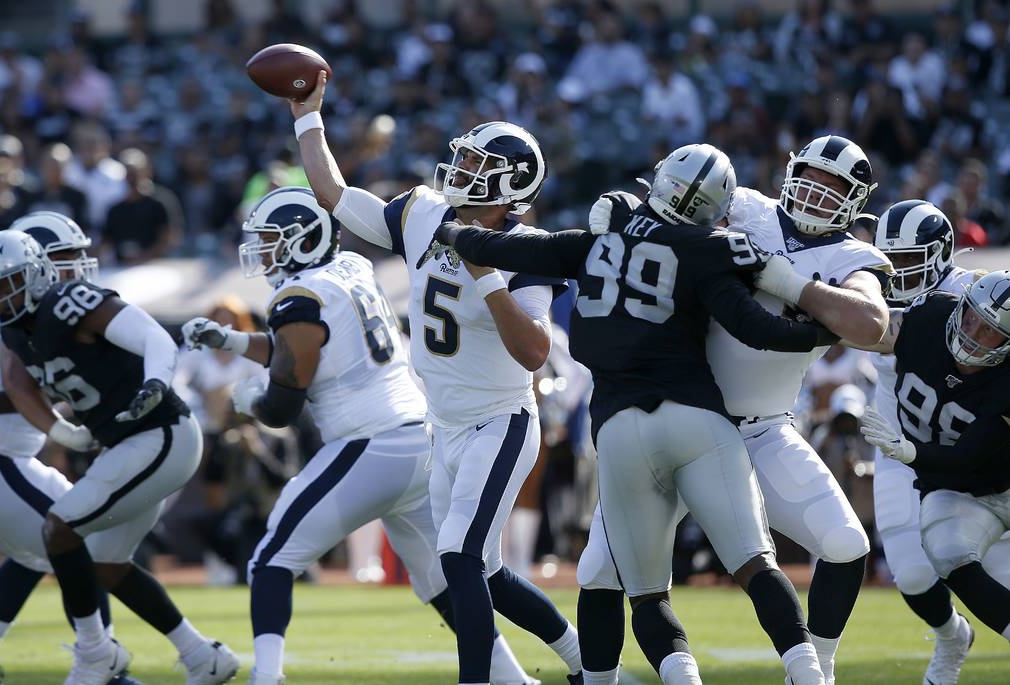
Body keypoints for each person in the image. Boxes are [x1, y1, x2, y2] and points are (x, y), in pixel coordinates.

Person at [430, 144, 831, 685]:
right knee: (756, 565)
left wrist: (450, 230)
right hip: (699, 421)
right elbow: (758, 330)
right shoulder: (711, 247)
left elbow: (496, 244)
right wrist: (824, 329)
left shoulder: (590, 242)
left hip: (620, 433)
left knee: (646, 594)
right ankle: (811, 674)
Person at [291, 71, 583, 685]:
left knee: (458, 556)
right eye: (463, 157)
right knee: (490, 573)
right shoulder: (424, 215)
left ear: (512, 186)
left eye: (478, 163)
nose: (460, 169)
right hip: (442, 426)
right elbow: (337, 197)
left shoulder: (524, 246)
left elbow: (533, 351)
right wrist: (307, 117)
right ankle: (587, 664)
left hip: (498, 421)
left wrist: (487, 274)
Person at [181, 186, 540, 685]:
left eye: (269, 240)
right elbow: (314, 345)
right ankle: (513, 678)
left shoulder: (297, 295)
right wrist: (236, 341)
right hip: (419, 438)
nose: (261, 252)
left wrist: (251, 402)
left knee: (271, 558)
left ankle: (267, 677)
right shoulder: (351, 268)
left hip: (370, 443)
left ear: (300, 241)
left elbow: (285, 399)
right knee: (437, 582)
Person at [583, 134, 893, 685]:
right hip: (678, 413)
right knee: (599, 571)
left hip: (762, 428)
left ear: (855, 199)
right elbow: (660, 205)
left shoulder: (853, 257)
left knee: (846, 544)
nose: (817, 192)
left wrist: (786, 282)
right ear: (790, 171)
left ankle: (817, 669)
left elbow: (870, 324)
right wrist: (622, 205)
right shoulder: (744, 206)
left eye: (833, 185)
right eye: (811, 176)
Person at [0, 228, 239, 685]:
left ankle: (95, 651)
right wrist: (61, 431)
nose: (2, 296)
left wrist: (157, 381)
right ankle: (202, 657)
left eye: (8, 282)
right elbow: (18, 386)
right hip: (126, 446)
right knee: (104, 563)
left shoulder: (69, 300)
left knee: (60, 528)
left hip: (160, 433)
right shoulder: (15, 332)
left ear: (35, 273)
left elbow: (155, 337)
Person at [0, 213, 144, 685]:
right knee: (79, 536)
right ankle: (101, 660)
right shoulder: (10, 304)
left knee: (35, 552)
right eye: (64, 258)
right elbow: (8, 390)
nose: (75, 268)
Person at [868, 199, 1010, 684]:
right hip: (895, 443)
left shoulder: (974, 301)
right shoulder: (867, 291)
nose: (896, 271)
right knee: (909, 573)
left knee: (982, 567)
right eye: (888, 260)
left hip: (972, 460)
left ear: (941, 251)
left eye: (908, 258)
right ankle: (952, 636)